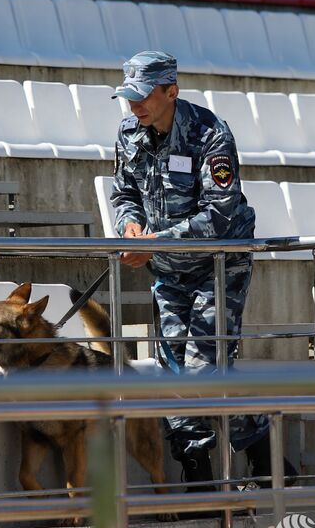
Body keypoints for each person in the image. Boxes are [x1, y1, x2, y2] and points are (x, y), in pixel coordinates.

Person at [109, 50, 290, 489]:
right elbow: (123, 192)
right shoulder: (129, 132)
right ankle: (198, 476)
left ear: (171, 91)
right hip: (168, 269)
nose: (133, 105)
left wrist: (156, 242)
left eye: (142, 95)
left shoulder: (210, 134)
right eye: (128, 96)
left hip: (218, 265)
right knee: (172, 370)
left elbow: (221, 215)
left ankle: (264, 456)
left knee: (204, 368)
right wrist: (130, 226)